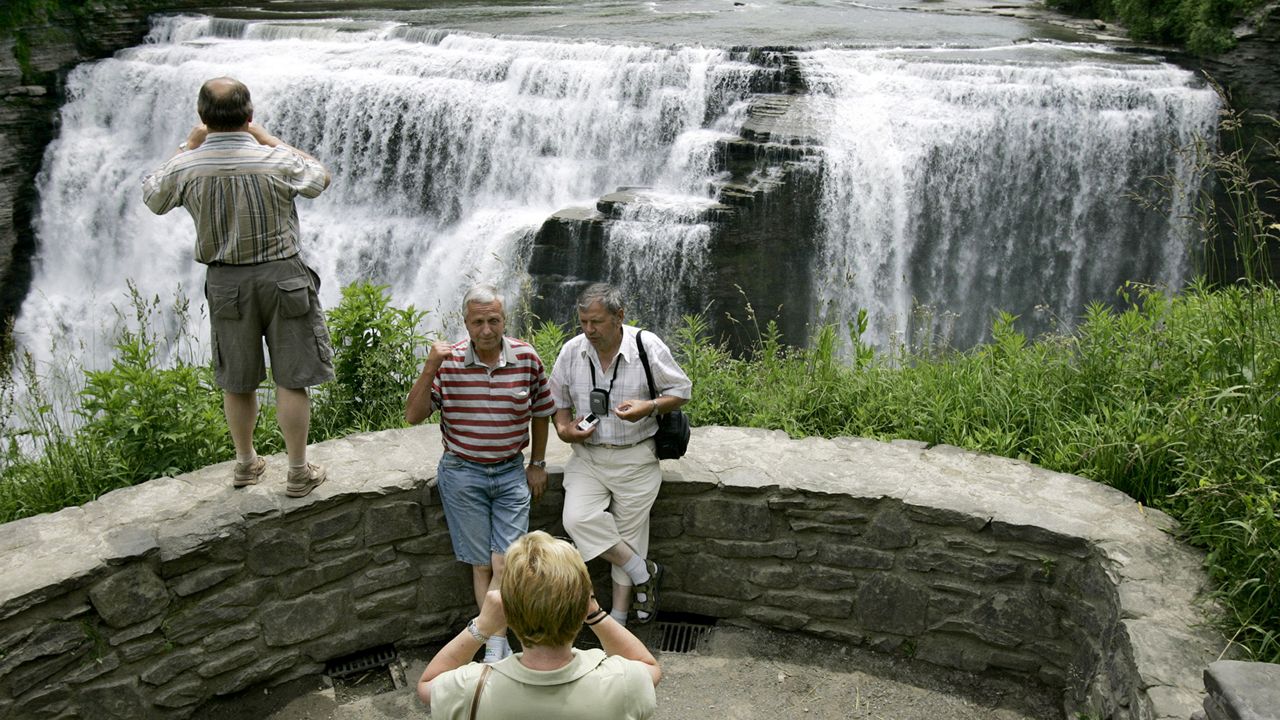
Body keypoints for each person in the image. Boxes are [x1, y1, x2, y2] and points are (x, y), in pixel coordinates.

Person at [142, 76, 332, 498]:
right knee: (291, 378)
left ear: (202, 118)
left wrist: (186, 148)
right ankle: (298, 471)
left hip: (226, 280)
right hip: (283, 277)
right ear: (249, 115)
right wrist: (270, 139)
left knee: (238, 381)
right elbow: (319, 179)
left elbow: (153, 197)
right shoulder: (275, 160)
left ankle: (246, 464)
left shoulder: (188, 165)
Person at [405, 283, 554, 662]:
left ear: (505, 319)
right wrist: (429, 367)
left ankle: (493, 637)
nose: (486, 330)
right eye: (478, 322)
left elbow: (542, 411)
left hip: (509, 472)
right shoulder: (449, 362)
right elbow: (413, 415)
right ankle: (496, 640)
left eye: (494, 320)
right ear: (465, 323)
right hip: (462, 472)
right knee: (482, 563)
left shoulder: (525, 357)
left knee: (505, 561)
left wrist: (537, 463)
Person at [549, 283, 691, 626]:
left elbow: (682, 390)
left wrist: (650, 406)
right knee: (576, 519)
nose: (588, 330)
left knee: (628, 536)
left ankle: (618, 617)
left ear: (619, 317)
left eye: (596, 322)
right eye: (583, 322)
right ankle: (644, 572)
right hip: (588, 458)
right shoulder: (572, 351)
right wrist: (565, 430)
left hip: (636, 458)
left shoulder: (646, 345)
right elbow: (558, 403)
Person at [418, 531, 660, 719]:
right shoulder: (621, 683)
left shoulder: (473, 688)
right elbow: (648, 667)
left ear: (507, 614)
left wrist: (482, 625)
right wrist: (595, 613)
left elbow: (428, 684)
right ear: (582, 610)